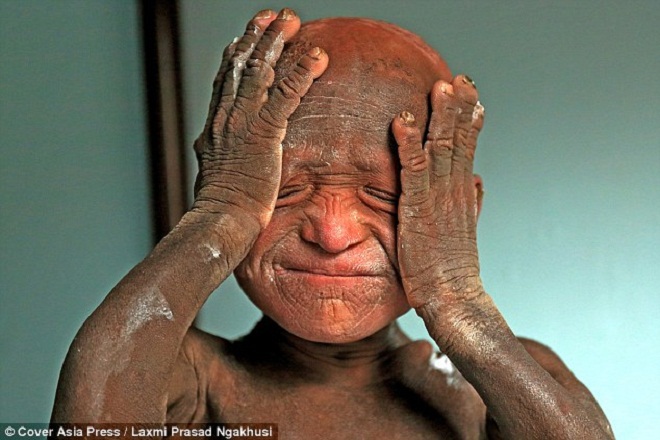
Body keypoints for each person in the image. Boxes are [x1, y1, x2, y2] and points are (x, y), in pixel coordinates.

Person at [52, 8, 613, 439]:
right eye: (285, 191)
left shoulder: (494, 387)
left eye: (382, 196)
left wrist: (457, 301)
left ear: (459, 215)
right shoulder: (189, 379)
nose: (332, 234)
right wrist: (216, 218)